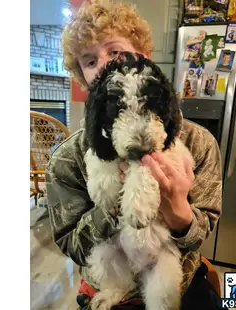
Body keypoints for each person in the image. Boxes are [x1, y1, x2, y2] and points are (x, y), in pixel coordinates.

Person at [46, 0, 222, 309]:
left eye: (115, 52)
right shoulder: (65, 159)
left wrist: (178, 210)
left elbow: (203, 233)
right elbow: (70, 244)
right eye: (89, 61)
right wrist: (112, 206)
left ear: (143, 55)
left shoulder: (199, 141)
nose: (103, 66)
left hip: (179, 281)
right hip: (108, 290)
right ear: (81, 75)